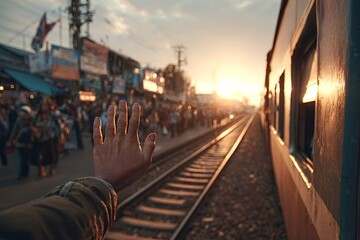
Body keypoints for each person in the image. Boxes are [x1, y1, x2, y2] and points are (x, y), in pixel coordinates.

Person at [0, 100, 157, 239]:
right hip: (40, 141)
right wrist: (103, 183)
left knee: (49, 158)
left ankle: (46, 169)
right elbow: (48, 227)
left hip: (48, 140)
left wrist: (104, 182)